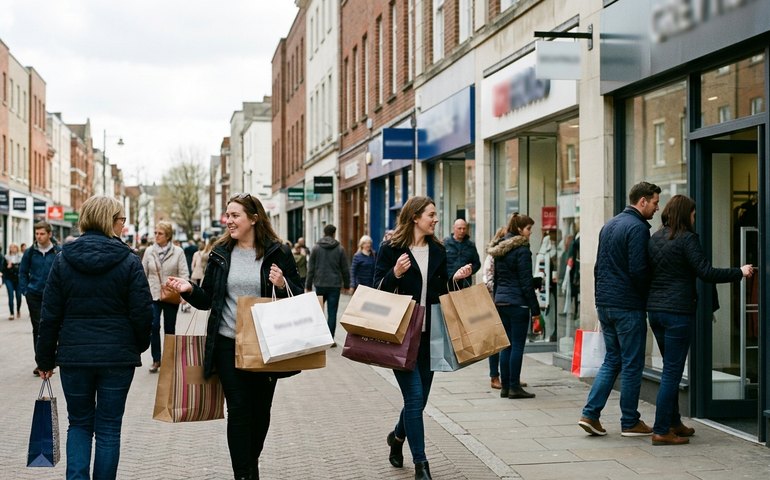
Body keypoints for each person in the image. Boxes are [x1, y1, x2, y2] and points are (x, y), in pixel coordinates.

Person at [165, 192, 302, 480]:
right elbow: (209, 299)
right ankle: (244, 475)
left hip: (265, 345)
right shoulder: (221, 252)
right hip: (228, 344)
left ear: (254, 218)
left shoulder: (278, 252)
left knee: (260, 412)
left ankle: (250, 465)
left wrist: (282, 283)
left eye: (235, 215)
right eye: (228, 215)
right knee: (239, 410)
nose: (229, 220)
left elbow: (297, 295)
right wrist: (189, 290)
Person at [35, 195, 153, 479]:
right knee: (109, 427)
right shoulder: (129, 260)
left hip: (74, 356)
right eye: (121, 220)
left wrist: (45, 359)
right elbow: (142, 312)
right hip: (117, 357)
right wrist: (138, 346)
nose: (123, 226)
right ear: (110, 221)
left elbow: (49, 315)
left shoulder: (63, 260)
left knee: (78, 424)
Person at [375, 196, 472, 480]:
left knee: (419, 401)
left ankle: (396, 437)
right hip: (402, 335)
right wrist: (395, 273)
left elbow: (441, 290)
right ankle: (421, 464)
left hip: (431, 335)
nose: (436, 219)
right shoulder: (391, 249)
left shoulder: (438, 250)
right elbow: (375, 289)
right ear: (415, 217)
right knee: (415, 398)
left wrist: (456, 279)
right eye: (431, 214)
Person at [647, 195, 752, 445]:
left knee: (669, 369)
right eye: (693, 214)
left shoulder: (655, 238)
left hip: (656, 311)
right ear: (686, 214)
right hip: (677, 312)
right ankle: (661, 430)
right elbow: (706, 272)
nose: (695, 218)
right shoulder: (687, 238)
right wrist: (739, 272)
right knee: (672, 372)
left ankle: (674, 422)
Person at [578, 181, 661, 437]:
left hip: (606, 303)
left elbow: (598, 267)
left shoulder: (609, 225)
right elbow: (638, 270)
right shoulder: (637, 228)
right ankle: (630, 421)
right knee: (632, 363)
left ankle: (590, 414)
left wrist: (601, 299)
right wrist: (648, 296)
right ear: (642, 201)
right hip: (627, 305)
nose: (657, 208)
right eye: (655, 202)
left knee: (612, 360)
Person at [487, 213, 541, 399]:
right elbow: (525, 282)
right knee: (517, 346)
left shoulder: (500, 249)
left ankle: (505, 387)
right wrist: (535, 310)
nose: (530, 232)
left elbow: (499, 278)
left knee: (506, 346)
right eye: (528, 229)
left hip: (501, 301)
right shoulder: (522, 249)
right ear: (519, 229)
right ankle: (514, 387)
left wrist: (497, 299)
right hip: (518, 303)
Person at [142, 221, 189, 373]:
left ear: (168, 236)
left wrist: (185, 294)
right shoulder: (149, 251)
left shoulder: (178, 252)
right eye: (155, 233)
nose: (156, 236)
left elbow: (184, 273)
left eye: (160, 233)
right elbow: (142, 274)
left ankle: (169, 360)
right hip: (153, 295)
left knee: (170, 328)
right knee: (154, 326)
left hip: (171, 295)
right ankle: (156, 360)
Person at [20, 221, 62, 376]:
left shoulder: (58, 251)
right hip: (34, 294)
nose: (39, 236)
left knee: (56, 325)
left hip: (53, 295)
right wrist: (25, 290)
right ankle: (41, 363)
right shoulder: (30, 252)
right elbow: (23, 272)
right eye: (37, 233)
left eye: (42, 233)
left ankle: (54, 358)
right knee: (38, 327)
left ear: (49, 234)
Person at [305, 224, 350, 342]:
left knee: (318, 312)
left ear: (324, 233)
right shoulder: (340, 248)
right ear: (334, 234)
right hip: (334, 285)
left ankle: (318, 337)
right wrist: (346, 285)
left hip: (319, 284)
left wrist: (308, 285)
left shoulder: (316, 248)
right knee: (332, 313)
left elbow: (311, 268)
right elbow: (345, 269)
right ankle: (330, 339)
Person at [482, 227, 507, 390]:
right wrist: (497, 294)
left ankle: (508, 376)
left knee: (507, 340)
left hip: (503, 300)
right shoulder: (493, 256)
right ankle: (494, 376)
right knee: (495, 341)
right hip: (494, 301)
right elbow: (487, 278)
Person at [443, 218, 481, 288]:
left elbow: (477, 264)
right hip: (448, 283)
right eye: (459, 228)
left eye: (464, 228)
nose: (462, 231)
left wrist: (469, 271)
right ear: (454, 228)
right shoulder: (445, 244)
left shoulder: (471, 245)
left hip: (465, 284)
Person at [3, 243, 23, 320]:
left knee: (19, 296)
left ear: (17, 248)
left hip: (18, 279)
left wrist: (14, 266)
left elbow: (22, 269)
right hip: (9, 279)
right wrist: (7, 267)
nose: (12, 249)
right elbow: (3, 269)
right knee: (10, 296)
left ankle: (18, 310)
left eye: (14, 247)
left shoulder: (21, 257)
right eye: (11, 247)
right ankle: (11, 313)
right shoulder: (6, 257)